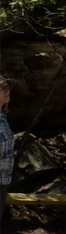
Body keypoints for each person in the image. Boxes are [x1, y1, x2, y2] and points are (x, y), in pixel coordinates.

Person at [0, 76, 13, 224]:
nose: (7, 91)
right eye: (3, 88)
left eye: (8, 87)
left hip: (3, 180)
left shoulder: (3, 116)